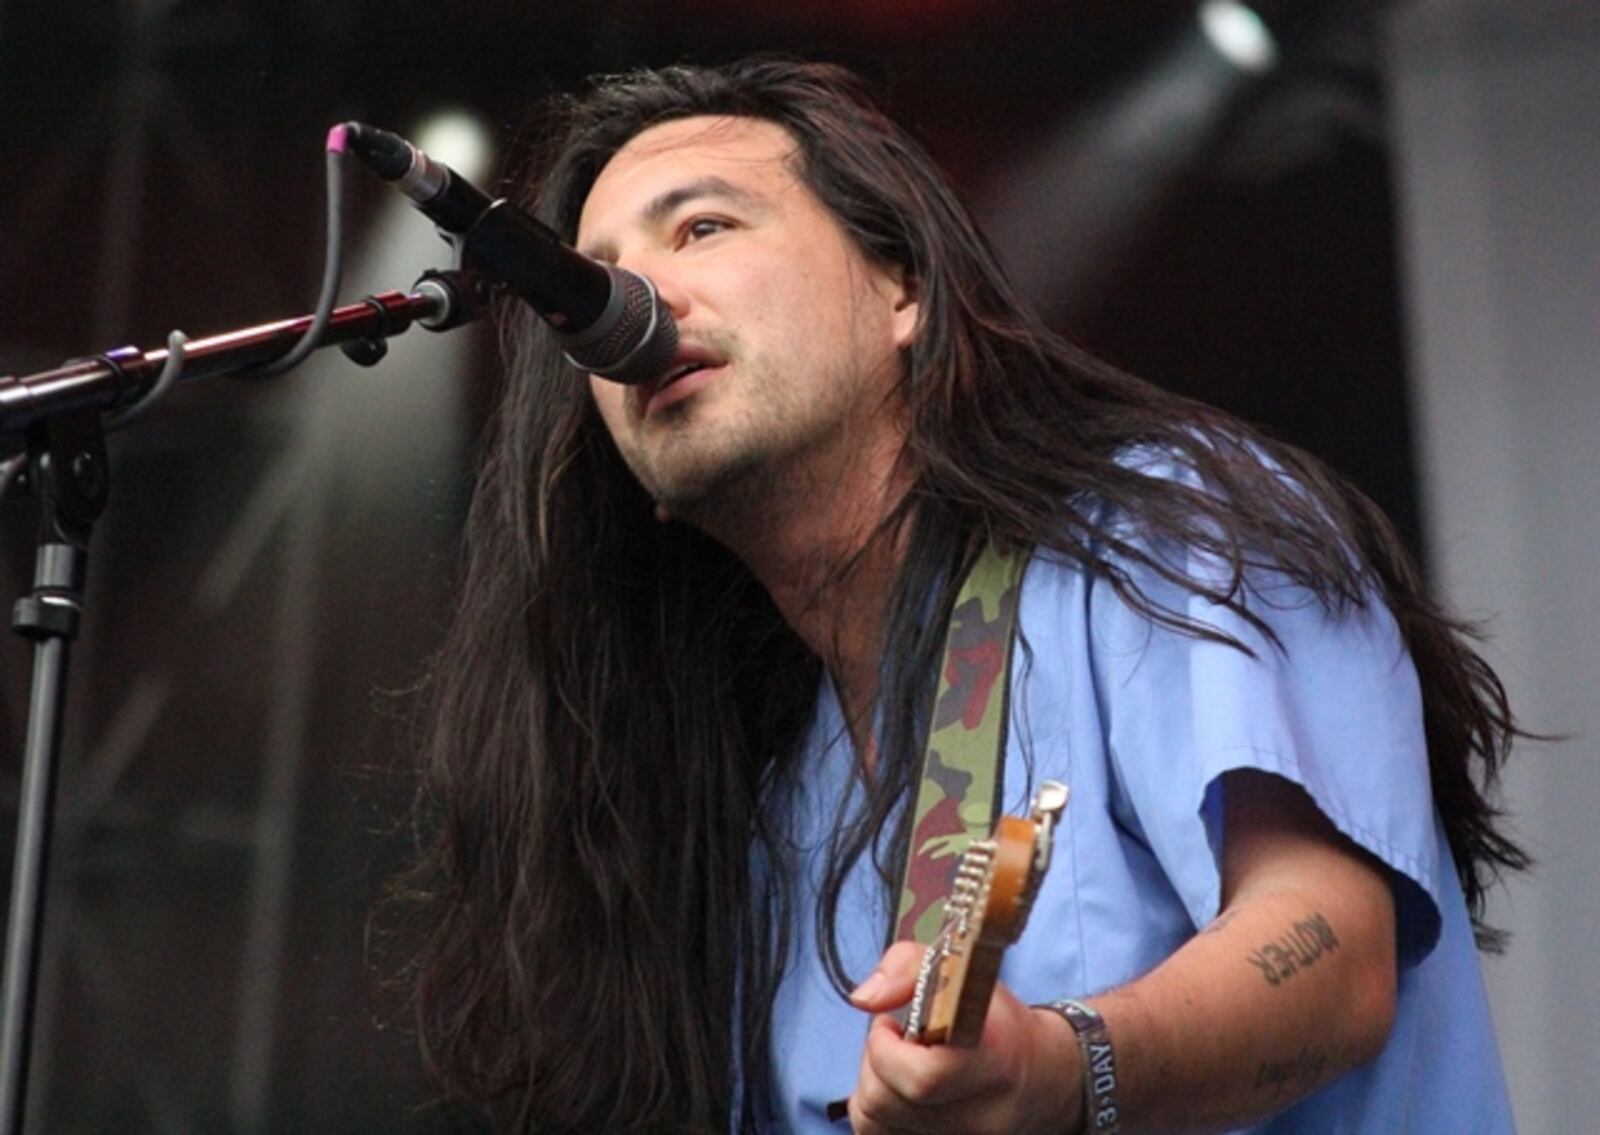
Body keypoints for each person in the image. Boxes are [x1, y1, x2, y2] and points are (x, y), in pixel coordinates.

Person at [401, 58, 1526, 1132]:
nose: (622, 299)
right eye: (588, 277)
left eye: (702, 227)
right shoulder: (769, 791)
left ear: (902, 286)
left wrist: (1059, 1068)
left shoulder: (1160, 532)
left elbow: (1330, 959)